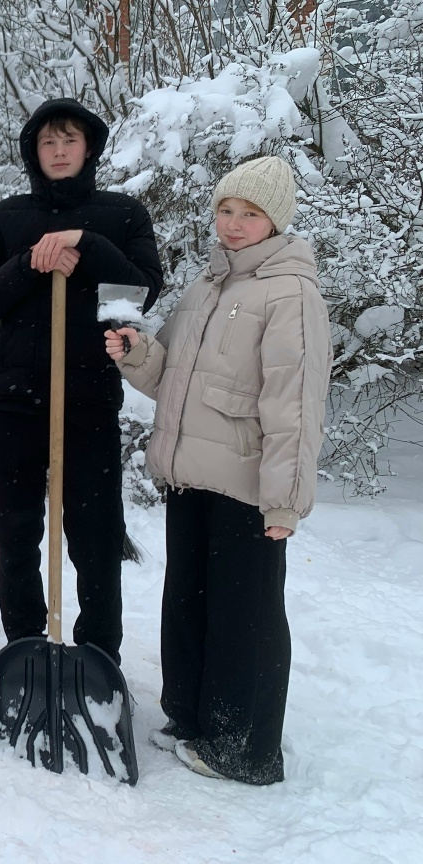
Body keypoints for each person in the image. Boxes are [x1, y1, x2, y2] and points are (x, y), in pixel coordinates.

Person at [104, 155, 332, 785]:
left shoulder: (292, 296)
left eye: (250, 214)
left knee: (246, 616)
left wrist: (284, 501)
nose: (233, 224)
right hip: (191, 477)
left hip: (248, 486)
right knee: (190, 600)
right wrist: (138, 353)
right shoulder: (208, 286)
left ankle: (245, 747)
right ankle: (193, 716)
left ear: (275, 222)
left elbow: (295, 405)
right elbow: (172, 378)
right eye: (227, 210)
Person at [0, 98, 162, 665]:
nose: (58, 150)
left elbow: (140, 294)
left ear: (89, 147)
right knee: (16, 533)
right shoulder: (7, 217)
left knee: (95, 537)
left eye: (69, 140)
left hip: (89, 400)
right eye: (48, 142)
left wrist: (87, 245)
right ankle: (25, 646)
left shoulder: (122, 216)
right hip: (15, 404)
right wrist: (31, 262)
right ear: (33, 150)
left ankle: (100, 655)